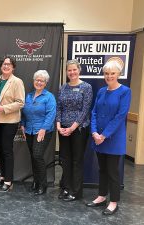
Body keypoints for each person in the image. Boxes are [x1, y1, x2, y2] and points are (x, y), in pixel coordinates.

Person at [86, 60, 131, 215]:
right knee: (102, 169)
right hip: (98, 137)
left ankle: (113, 202)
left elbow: (120, 116)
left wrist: (104, 135)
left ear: (118, 74)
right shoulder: (101, 91)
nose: (109, 76)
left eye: (112, 73)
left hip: (113, 139)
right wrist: (94, 133)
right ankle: (101, 196)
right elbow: (94, 113)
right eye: (106, 73)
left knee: (112, 171)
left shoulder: (125, 91)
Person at [0, 56, 25, 192]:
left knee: (7, 151)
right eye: (4, 64)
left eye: (9, 64)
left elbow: (20, 102)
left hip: (9, 121)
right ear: (0, 66)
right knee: (0, 149)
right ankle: (2, 177)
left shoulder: (17, 82)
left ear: (13, 67)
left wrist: (3, 108)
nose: (6, 66)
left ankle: (9, 181)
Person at [56, 59, 93, 201]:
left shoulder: (86, 87)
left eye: (74, 70)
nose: (72, 72)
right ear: (66, 72)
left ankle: (76, 191)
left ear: (79, 70)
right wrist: (59, 125)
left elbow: (85, 110)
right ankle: (66, 188)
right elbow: (59, 107)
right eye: (69, 70)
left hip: (79, 129)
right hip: (63, 129)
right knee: (65, 159)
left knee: (77, 160)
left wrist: (72, 127)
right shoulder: (63, 87)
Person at [21, 70, 56, 195]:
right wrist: (23, 125)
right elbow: (24, 112)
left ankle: (42, 184)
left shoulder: (49, 97)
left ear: (46, 83)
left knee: (37, 156)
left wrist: (43, 129)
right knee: (33, 157)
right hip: (29, 130)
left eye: (42, 81)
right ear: (34, 81)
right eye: (37, 80)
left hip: (43, 131)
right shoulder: (29, 96)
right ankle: (36, 182)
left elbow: (51, 114)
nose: (39, 82)